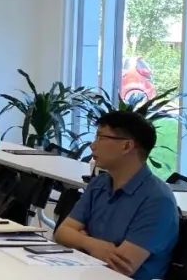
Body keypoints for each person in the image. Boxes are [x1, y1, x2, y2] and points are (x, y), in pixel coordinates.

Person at [54, 111, 179, 279]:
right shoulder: (99, 184)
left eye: (101, 138)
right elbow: (61, 233)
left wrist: (78, 241)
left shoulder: (158, 200)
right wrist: (92, 244)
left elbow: (120, 267)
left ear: (127, 146)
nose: (93, 146)